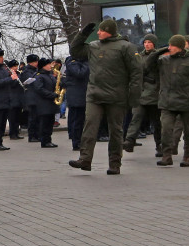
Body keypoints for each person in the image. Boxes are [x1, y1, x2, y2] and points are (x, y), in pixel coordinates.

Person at [67, 18, 139, 174]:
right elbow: (75, 51)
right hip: (94, 95)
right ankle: (85, 159)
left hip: (117, 96)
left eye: (101, 30)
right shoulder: (94, 46)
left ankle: (115, 163)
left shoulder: (126, 47)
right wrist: (83, 34)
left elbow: (136, 73)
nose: (98, 32)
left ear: (109, 31)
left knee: (116, 131)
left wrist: (133, 98)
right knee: (89, 126)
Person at [155, 35, 189, 167]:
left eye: (172, 46)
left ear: (179, 47)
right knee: (166, 130)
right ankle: (166, 156)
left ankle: (187, 156)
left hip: (187, 101)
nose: (169, 48)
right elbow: (147, 65)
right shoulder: (164, 60)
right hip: (167, 101)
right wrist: (160, 51)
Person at [23, 57, 60, 147]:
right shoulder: (39, 76)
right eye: (48, 64)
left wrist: (61, 85)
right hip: (43, 103)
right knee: (45, 123)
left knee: (50, 122)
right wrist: (52, 95)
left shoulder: (50, 75)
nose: (50, 66)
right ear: (43, 66)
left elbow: (55, 85)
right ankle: (44, 141)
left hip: (51, 103)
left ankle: (48, 139)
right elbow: (39, 89)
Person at [61, 54, 89, 152]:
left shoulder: (79, 62)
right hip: (76, 95)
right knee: (77, 120)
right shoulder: (72, 62)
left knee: (81, 120)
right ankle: (76, 142)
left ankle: (80, 141)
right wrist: (87, 62)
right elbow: (80, 73)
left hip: (82, 94)